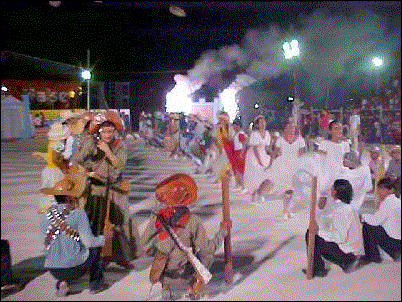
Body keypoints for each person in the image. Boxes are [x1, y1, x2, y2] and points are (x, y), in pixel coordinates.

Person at [140, 173, 229, 300]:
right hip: (185, 273)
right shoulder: (192, 220)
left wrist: (159, 247)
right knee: (207, 255)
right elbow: (208, 249)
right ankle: (195, 287)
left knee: (162, 252)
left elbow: (143, 244)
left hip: (162, 272)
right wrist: (222, 232)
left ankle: (166, 287)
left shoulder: (156, 218)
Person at [73, 110, 139, 268]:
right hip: (97, 189)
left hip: (115, 188)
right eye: (105, 131)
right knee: (97, 222)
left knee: (120, 222)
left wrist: (108, 151)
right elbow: (78, 160)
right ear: (99, 131)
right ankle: (97, 257)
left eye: (111, 131)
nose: (108, 134)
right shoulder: (91, 143)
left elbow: (120, 164)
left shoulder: (119, 144)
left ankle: (122, 256)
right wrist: (82, 166)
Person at [39, 169, 109, 296]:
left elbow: (47, 243)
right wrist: (103, 239)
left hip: (53, 269)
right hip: (75, 269)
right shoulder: (78, 214)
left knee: (61, 248)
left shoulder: (44, 215)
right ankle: (95, 285)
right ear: (69, 197)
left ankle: (62, 283)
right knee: (95, 248)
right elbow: (89, 242)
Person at [304, 179, 364, 278]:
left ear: (336, 191)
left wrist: (318, 232)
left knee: (311, 235)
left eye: (332, 188)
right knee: (316, 233)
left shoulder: (342, 210)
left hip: (350, 254)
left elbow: (340, 237)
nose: (330, 189)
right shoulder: (344, 206)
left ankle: (319, 269)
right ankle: (323, 266)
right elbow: (324, 219)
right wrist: (320, 208)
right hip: (354, 250)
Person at [268, 121, 307, 219]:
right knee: (287, 189)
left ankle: (288, 209)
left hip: (295, 166)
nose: (291, 130)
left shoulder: (300, 140)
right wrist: (270, 164)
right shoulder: (280, 140)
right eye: (289, 127)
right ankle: (285, 210)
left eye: (293, 128)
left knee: (293, 190)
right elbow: (274, 153)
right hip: (283, 166)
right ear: (284, 129)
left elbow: (302, 155)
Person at [358, 177, 401, 266]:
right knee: (371, 222)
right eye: (378, 189)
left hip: (395, 244)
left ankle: (373, 256)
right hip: (398, 240)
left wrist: (365, 213)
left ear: (391, 190)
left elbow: (373, 222)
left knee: (368, 226)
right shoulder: (396, 201)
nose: (379, 191)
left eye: (382, 189)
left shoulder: (388, 203)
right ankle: (374, 254)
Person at [32, 122, 71, 213]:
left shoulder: (51, 142)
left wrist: (41, 155)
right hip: (54, 171)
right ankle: (54, 208)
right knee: (56, 190)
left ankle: (45, 207)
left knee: (48, 189)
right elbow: (55, 159)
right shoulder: (59, 144)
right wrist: (63, 168)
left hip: (47, 170)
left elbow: (50, 156)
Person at [243, 114, 275, 203]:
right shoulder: (255, 134)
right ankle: (254, 194)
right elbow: (255, 149)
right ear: (257, 124)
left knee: (268, 174)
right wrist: (259, 161)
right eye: (260, 122)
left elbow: (268, 148)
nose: (262, 124)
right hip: (254, 155)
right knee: (255, 175)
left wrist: (273, 154)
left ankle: (261, 192)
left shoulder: (267, 134)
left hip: (263, 154)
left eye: (263, 122)